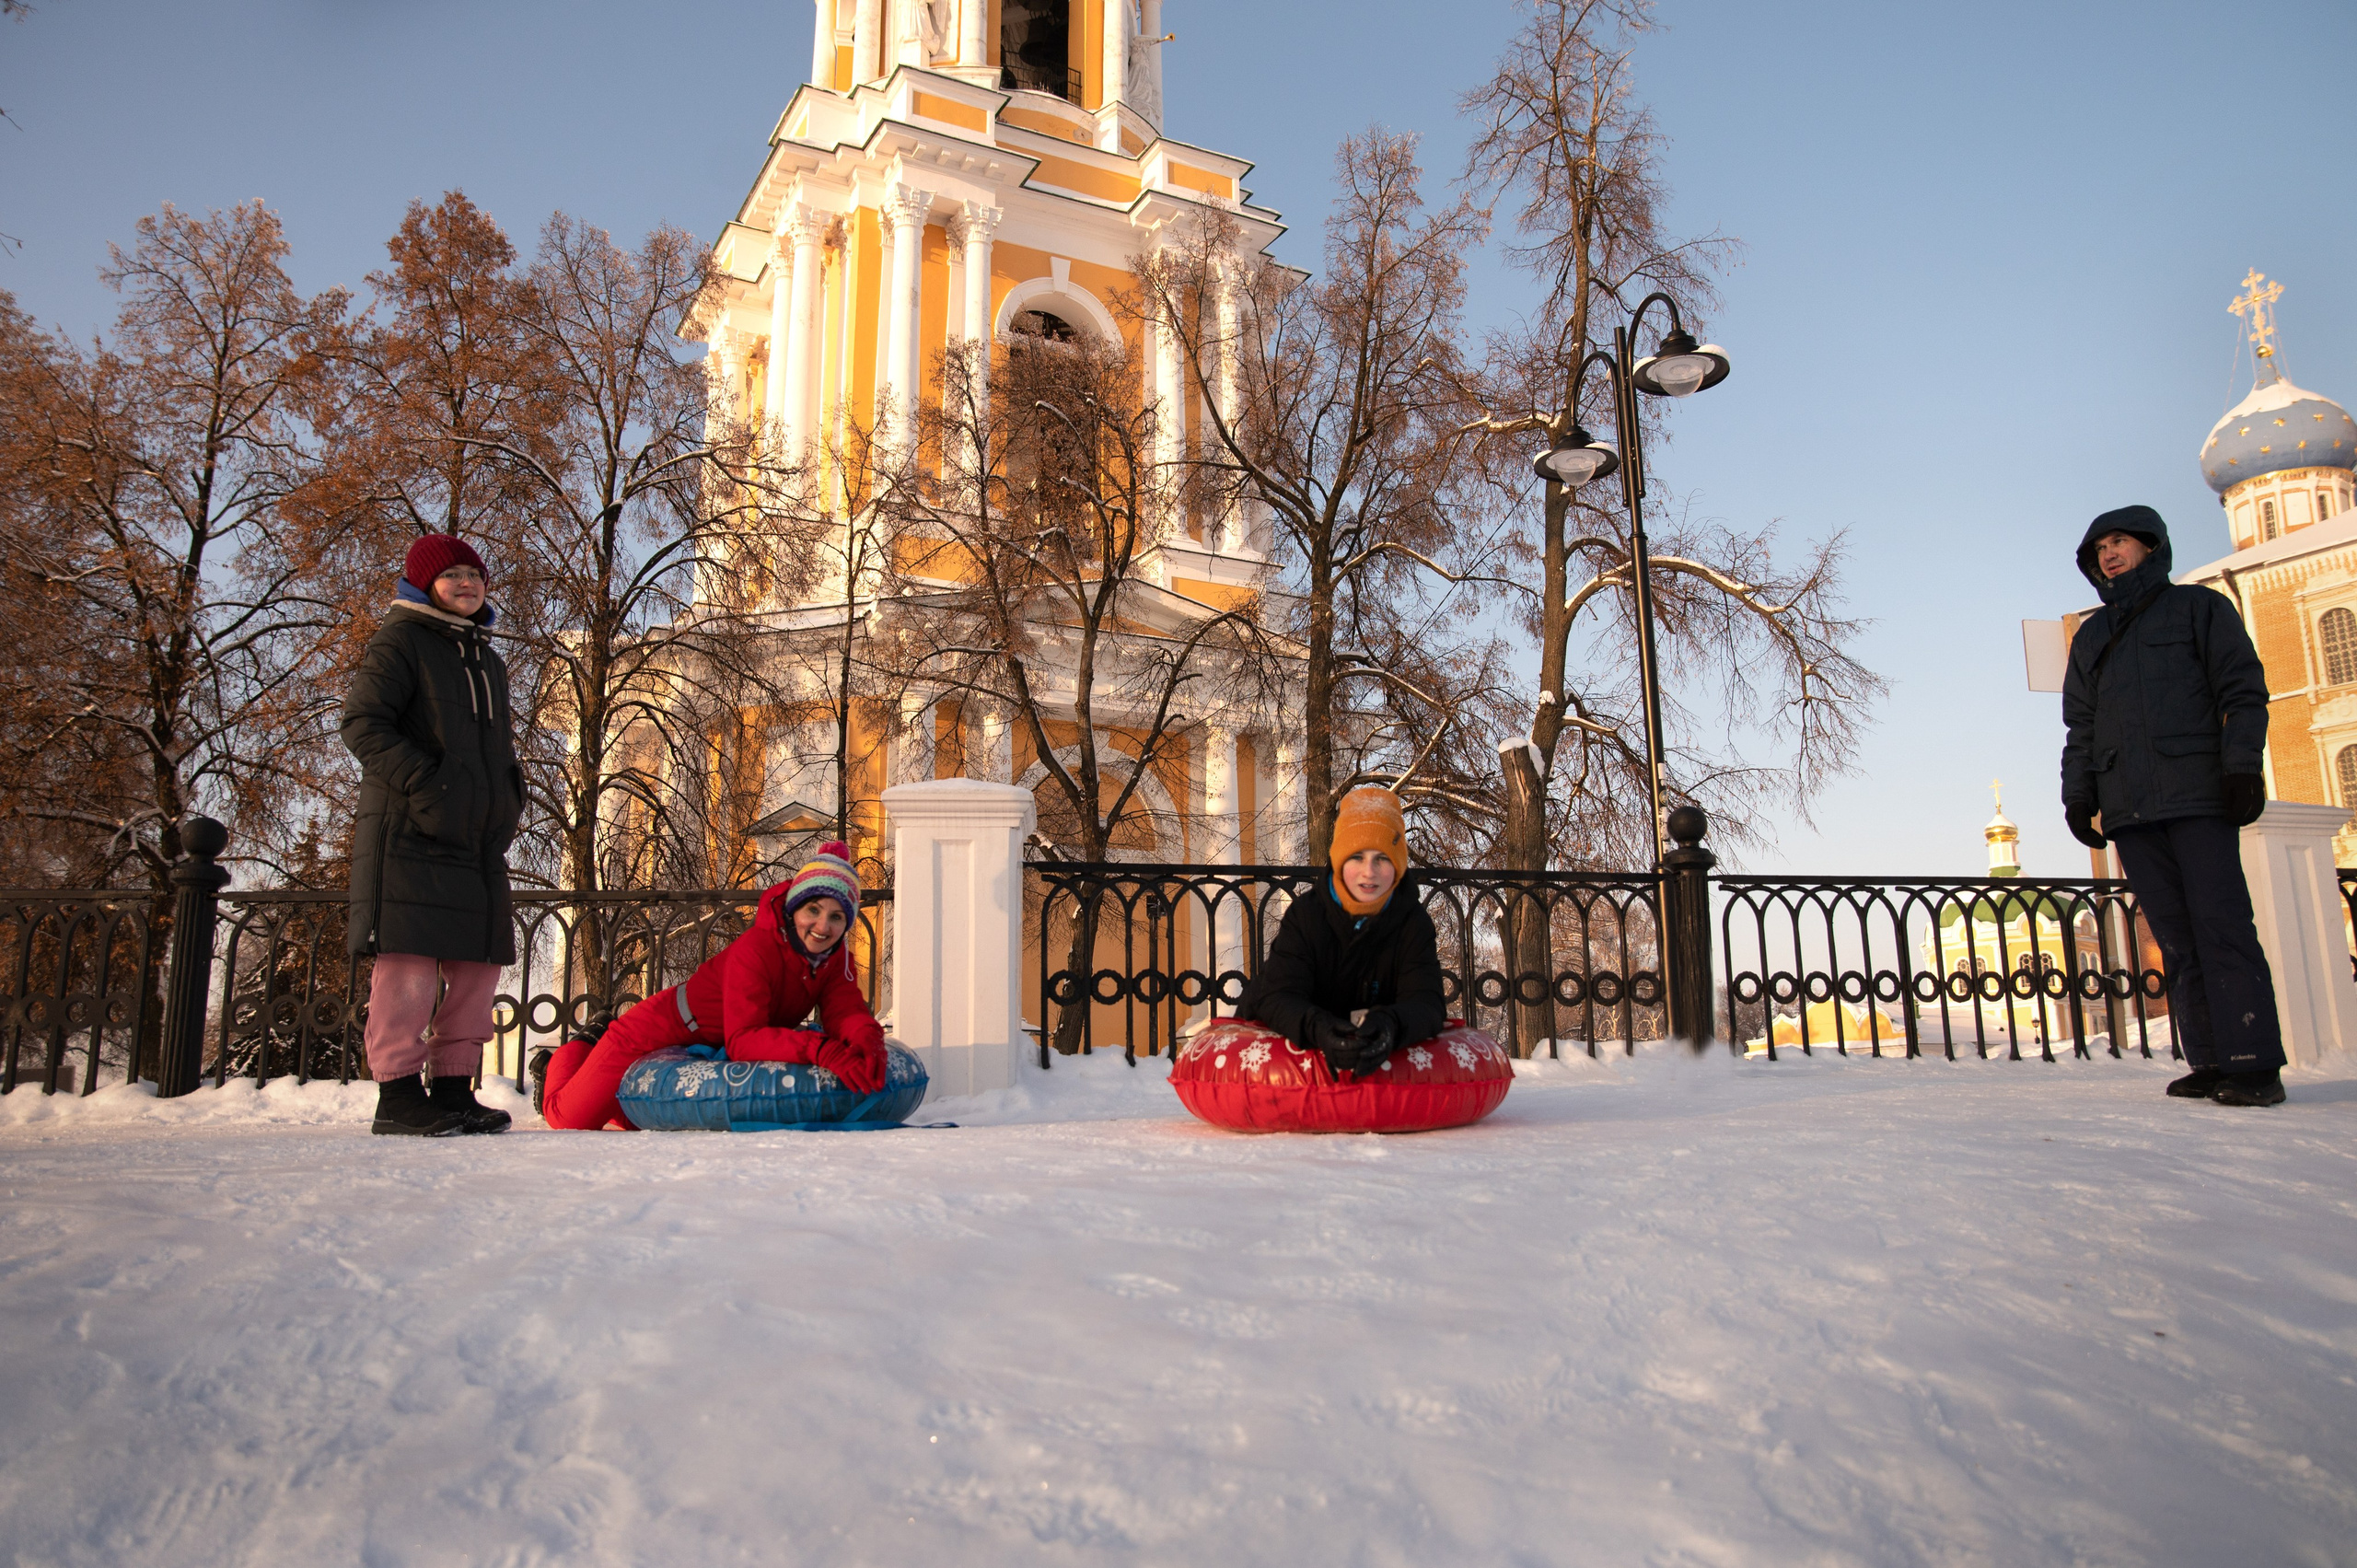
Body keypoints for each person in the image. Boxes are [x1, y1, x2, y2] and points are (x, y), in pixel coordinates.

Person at [2061, 504, 2286, 1106]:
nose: (2109, 554)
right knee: (2175, 938)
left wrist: (2241, 767)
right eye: (2099, 548)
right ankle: (2212, 1058)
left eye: (2119, 542)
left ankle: (2255, 1061)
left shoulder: (2199, 609)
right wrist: (2079, 795)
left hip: (2196, 797)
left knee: (2223, 927)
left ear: (2150, 548)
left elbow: (2243, 687)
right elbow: (2080, 728)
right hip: (2131, 809)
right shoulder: (2092, 638)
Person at [343, 535, 523, 1136]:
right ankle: (398, 1093)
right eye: (452, 575)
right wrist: (428, 783)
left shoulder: (486, 660)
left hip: (475, 840)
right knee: (409, 967)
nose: (467, 583)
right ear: (424, 584)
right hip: (413, 832)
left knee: (478, 964)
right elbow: (363, 723)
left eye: (475, 573)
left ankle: (451, 1087)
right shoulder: (402, 641)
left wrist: (507, 796)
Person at [534, 842, 888, 1130]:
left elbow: (846, 1011)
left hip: (700, 1047)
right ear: (794, 907)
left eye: (837, 916)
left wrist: (867, 1040)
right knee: (569, 1119)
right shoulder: (757, 949)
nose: (823, 926)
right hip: (654, 1031)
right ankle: (572, 1053)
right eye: (813, 909)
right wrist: (821, 1050)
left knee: (638, 1123)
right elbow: (744, 1039)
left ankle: (592, 1079)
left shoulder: (833, 958)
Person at [1234, 786, 1446, 1076]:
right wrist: (1317, 1026)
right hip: (1290, 1045)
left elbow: (1426, 1001)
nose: (1368, 872)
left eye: (1382, 858)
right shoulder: (1306, 916)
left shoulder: (1413, 924)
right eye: (1356, 857)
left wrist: (1390, 1024)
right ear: (1339, 859)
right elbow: (1277, 995)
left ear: (1397, 866)